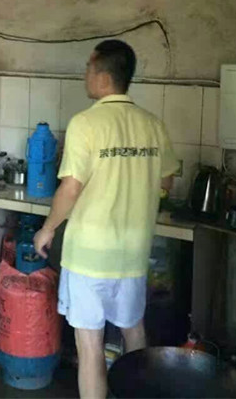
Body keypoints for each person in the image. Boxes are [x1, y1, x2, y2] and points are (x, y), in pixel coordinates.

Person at [33, 40, 177, 398]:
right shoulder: (153, 125)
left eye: (88, 67)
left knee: (90, 345)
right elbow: (166, 182)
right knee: (134, 333)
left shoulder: (86, 123)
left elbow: (71, 188)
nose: (86, 74)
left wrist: (47, 229)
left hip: (89, 257)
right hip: (133, 253)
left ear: (101, 72)